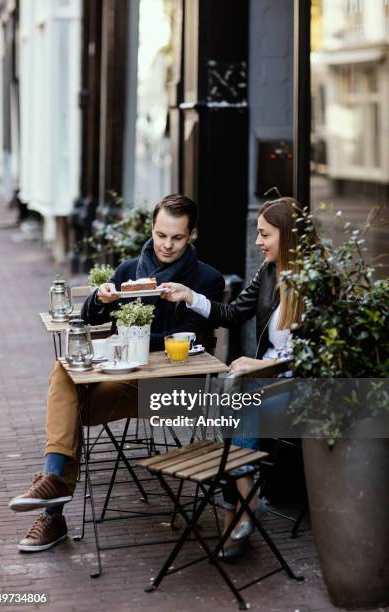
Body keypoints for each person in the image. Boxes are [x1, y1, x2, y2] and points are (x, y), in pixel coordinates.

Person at [8, 194, 224, 552]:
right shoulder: (128, 270)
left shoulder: (206, 280)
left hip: (166, 391)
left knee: (65, 413)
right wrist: (100, 299)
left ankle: (53, 506)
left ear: (192, 235)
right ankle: (53, 483)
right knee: (63, 373)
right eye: (160, 235)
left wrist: (129, 337)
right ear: (151, 230)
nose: (167, 245)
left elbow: (192, 338)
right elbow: (90, 320)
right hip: (121, 382)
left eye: (177, 237)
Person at [160, 196, 308, 559]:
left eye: (264, 234)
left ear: (287, 237)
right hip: (265, 385)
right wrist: (189, 296)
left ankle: (239, 512)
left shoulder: (315, 283)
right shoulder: (269, 272)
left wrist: (260, 367)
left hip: (300, 387)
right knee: (235, 399)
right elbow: (230, 313)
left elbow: (312, 358)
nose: (257, 241)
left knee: (236, 399)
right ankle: (246, 502)